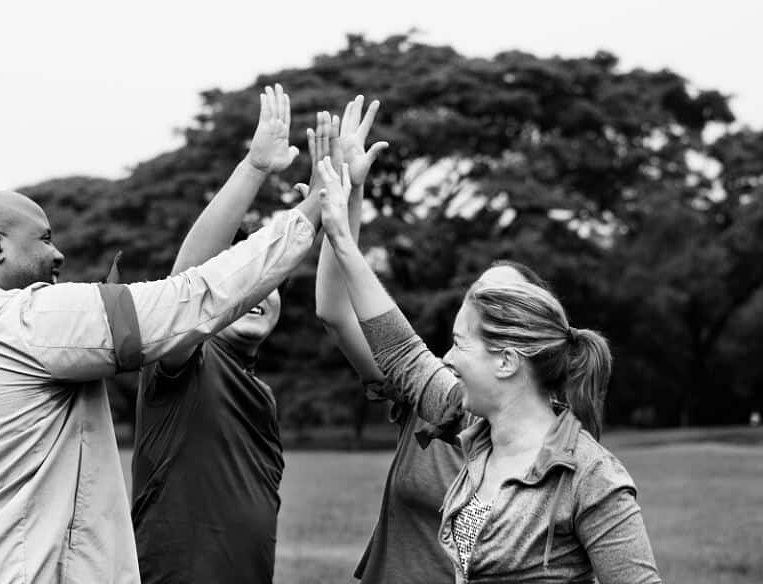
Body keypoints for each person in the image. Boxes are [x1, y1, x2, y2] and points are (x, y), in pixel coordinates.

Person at [0, 86, 323, 582]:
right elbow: (192, 296)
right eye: (44, 239)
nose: (58, 254)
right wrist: (314, 208)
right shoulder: (36, 321)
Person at [314, 156, 662, 583]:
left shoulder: (591, 479)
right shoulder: (474, 428)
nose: (447, 358)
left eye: (461, 344)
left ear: (506, 360)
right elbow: (401, 350)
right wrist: (341, 239)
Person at [314, 97, 554, 583]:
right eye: (482, 301)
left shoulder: (556, 443)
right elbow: (335, 312)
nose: (491, 314)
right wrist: (351, 194)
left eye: (507, 307)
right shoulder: (430, 389)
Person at [127, 84, 299, 584]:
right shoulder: (184, 357)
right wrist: (255, 168)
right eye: (243, 285)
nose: (259, 294)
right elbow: (187, 282)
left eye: (270, 284)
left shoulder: (259, 392)